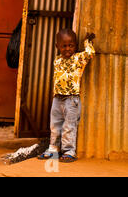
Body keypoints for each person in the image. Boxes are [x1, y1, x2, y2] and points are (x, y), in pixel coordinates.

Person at [38, 28, 95, 163]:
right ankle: (54, 149)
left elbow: (90, 53)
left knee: (69, 126)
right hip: (57, 98)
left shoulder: (78, 58)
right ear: (57, 46)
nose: (68, 48)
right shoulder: (57, 61)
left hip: (71, 99)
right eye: (64, 46)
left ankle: (69, 151)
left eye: (71, 45)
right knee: (55, 125)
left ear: (75, 46)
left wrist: (87, 42)